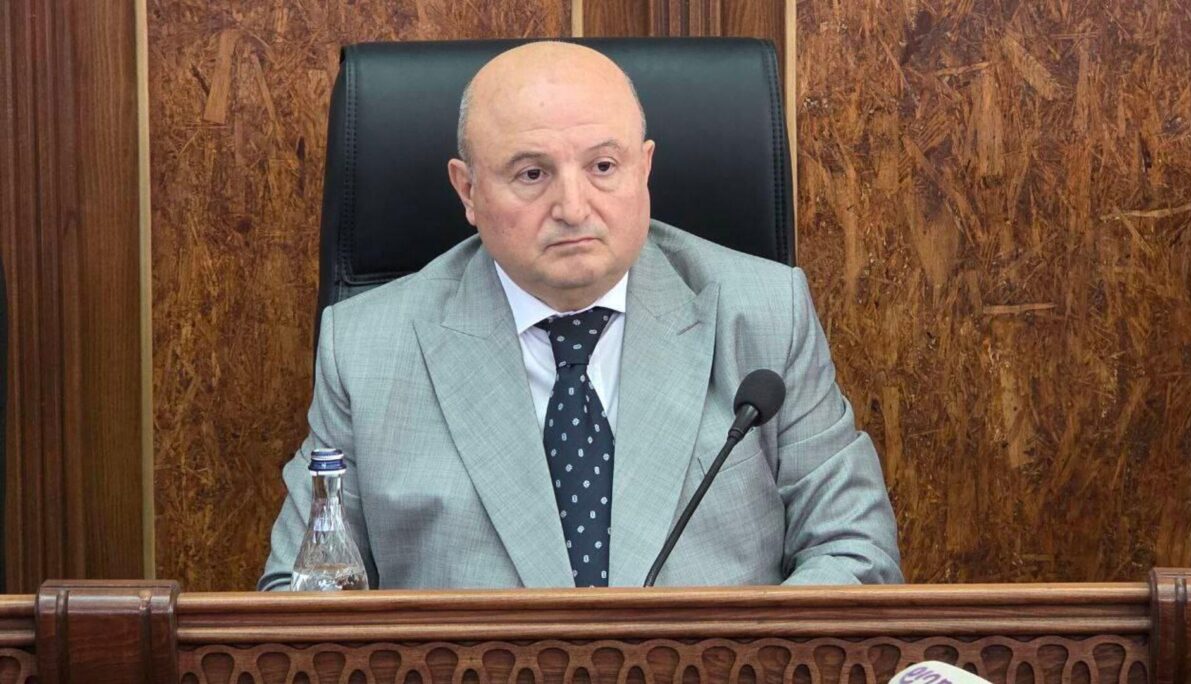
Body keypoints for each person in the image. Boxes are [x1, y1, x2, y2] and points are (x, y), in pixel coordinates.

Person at [259, 41, 901, 590]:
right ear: (468, 190)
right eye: (532, 173)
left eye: (602, 166)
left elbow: (853, 550)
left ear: (644, 169)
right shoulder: (367, 349)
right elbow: (304, 589)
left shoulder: (763, 315)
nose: (573, 206)